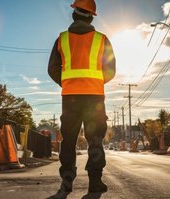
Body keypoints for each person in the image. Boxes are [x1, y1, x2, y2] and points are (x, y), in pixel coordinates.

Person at [48, 0, 116, 194]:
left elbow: (52, 68)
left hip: (70, 98)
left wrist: (67, 83)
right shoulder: (102, 39)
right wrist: (95, 83)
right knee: (95, 140)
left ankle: (67, 182)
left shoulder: (61, 39)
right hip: (94, 98)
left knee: (68, 140)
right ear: (91, 16)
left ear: (74, 14)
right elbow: (110, 70)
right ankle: (95, 182)